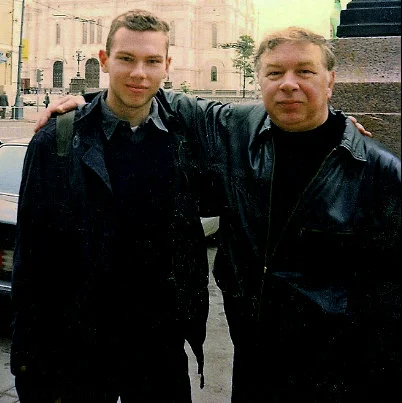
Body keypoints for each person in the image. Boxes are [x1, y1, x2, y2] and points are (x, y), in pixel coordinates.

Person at [34, 25, 396, 403]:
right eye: (275, 72)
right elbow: (161, 98)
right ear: (260, 80)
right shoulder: (240, 128)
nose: (288, 84)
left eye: (305, 71)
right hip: (255, 351)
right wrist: (88, 100)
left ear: (330, 80)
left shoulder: (374, 171)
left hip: (336, 360)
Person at [11, 10, 209, 403]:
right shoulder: (55, 140)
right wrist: (26, 360)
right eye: (126, 59)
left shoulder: (185, 138)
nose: (139, 73)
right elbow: (30, 257)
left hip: (157, 347)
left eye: (152, 61)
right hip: (76, 347)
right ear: (104, 61)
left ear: (167, 65)